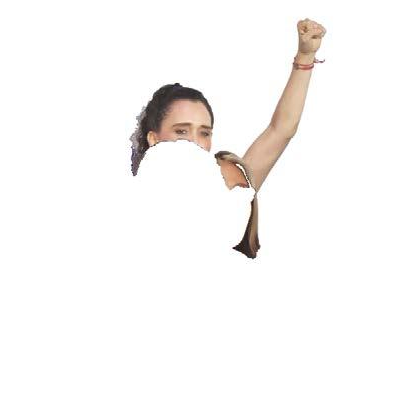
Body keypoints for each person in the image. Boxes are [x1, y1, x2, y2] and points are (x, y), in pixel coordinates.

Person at [129, 17, 327, 258]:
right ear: (153, 139)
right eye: (181, 131)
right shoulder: (128, 199)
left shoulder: (225, 179)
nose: (194, 141)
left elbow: (280, 130)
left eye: (204, 132)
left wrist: (305, 56)